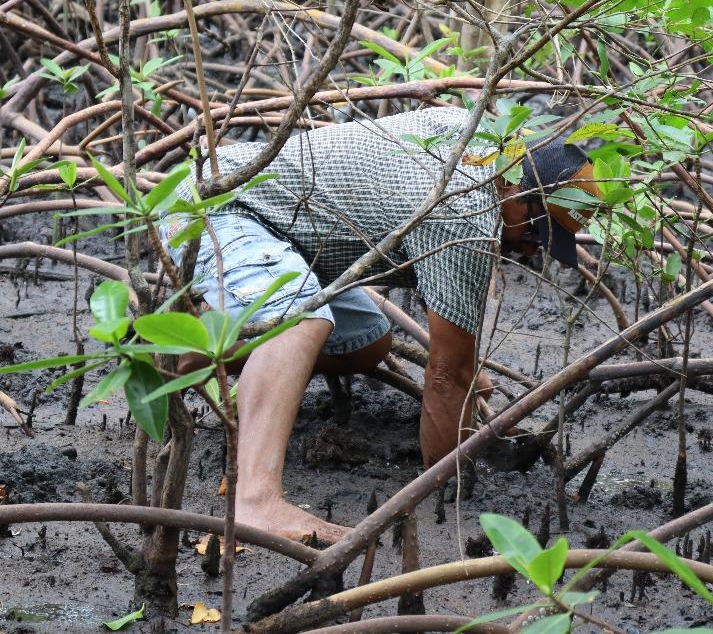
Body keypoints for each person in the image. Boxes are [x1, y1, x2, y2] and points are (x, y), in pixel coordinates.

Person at [165, 106, 598, 542]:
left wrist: (462, 380)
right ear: (515, 187)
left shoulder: (486, 143)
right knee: (300, 321)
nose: (529, 249)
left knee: (368, 342)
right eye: (535, 229)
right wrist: (451, 482)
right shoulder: (464, 205)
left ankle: (177, 355)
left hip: (281, 231)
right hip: (218, 207)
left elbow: (455, 360)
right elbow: (448, 376)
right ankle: (254, 502)